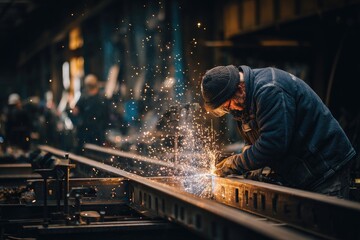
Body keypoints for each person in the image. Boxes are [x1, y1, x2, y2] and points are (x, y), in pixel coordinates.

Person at [201, 65, 356, 199]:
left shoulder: (269, 90)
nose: (230, 110)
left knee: (324, 229)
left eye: (228, 105)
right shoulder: (245, 100)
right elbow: (258, 138)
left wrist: (235, 163)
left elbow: (272, 144)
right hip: (302, 170)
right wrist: (251, 159)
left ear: (239, 88)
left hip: (326, 168)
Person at [72, 74, 110, 152]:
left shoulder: (84, 97)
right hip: (97, 132)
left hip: (87, 131)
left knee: (86, 153)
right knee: (97, 154)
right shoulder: (102, 97)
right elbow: (107, 115)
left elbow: (75, 111)